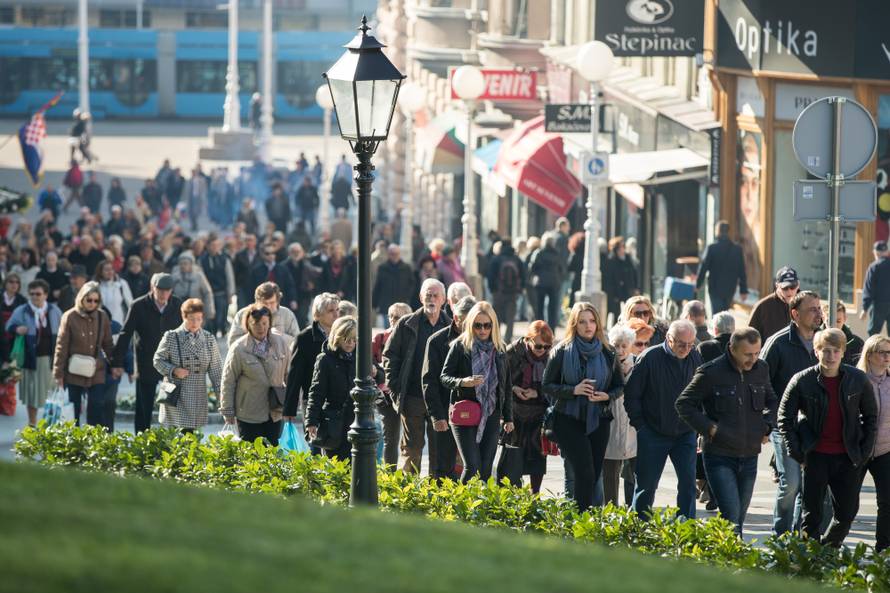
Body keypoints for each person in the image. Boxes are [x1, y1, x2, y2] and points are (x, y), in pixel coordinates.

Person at [779, 328, 878, 547]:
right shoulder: (802, 380)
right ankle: (809, 557)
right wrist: (797, 451)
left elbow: (871, 418)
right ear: (816, 351)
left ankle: (827, 550)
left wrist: (862, 453)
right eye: (825, 351)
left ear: (843, 352)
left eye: (835, 351)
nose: (830, 356)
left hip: (847, 456)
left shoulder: (857, 379)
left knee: (847, 514)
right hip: (815, 456)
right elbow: (784, 418)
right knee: (811, 514)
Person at [676, 328, 776, 535]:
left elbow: (772, 401)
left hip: (749, 455)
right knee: (731, 516)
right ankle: (729, 562)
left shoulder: (761, 369)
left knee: (738, 517)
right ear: (732, 349)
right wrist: (710, 429)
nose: (753, 359)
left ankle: (723, 555)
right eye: (748, 354)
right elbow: (684, 404)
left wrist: (767, 426)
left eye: (757, 353)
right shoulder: (710, 372)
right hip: (719, 455)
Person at [542, 302, 622, 510]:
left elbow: (619, 386)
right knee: (584, 471)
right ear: (574, 325)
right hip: (568, 418)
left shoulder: (608, 352)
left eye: (592, 321)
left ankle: (580, 517)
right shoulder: (561, 350)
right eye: (583, 322)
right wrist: (573, 390)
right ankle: (580, 519)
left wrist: (607, 395)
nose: (588, 326)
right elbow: (546, 385)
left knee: (594, 474)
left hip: (599, 418)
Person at [624, 319, 701, 519]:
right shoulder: (650, 357)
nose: (686, 348)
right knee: (646, 486)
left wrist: (699, 424)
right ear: (669, 338)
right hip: (653, 431)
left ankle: (686, 528)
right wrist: (641, 426)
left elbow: (702, 393)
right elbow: (632, 395)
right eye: (681, 344)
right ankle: (639, 529)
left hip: (684, 433)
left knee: (688, 485)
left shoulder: (694, 356)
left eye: (690, 344)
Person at [761, 290, 822, 536]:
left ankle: (799, 538)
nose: (818, 314)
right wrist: (767, 419)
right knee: (792, 483)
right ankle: (781, 535)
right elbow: (761, 382)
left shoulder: (824, 342)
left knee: (809, 486)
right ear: (795, 314)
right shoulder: (778, 343)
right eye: (812, 309)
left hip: (815, 425)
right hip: (783, 424)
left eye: (820, 309)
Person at [440, 301, 513, 483]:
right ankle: (463, 508)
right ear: (470, 324)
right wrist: (463, 382)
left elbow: (506, 386)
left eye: (487, 325)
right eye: (477, 325)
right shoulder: (460, 346)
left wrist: (509, 417)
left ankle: (481, 509)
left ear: (493, 326)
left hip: (491, 413)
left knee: (486, 467)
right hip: (466, 411)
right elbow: (444, 376)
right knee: (472, 466)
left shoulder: (501, 349)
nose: (482, 330)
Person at [383, 278, 451, 474]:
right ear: (421, 298)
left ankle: (437, 493)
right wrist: (395, 388)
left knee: (439, 449)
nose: (431, 299)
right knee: (411, 449)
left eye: (435, 295)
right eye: (427, 295)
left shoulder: (451, 326)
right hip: (412, 397)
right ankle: (409, 493)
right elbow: (390, 356)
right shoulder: (406, 323)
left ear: (443, 299)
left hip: (440, 399)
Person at [113, 273, 182, 433]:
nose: (163, 294)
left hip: (170, 364)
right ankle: (142, 440)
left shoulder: (177, 304)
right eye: (160, 289)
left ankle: (172, 441)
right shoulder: (139, 305)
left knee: (171, 406)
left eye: (167, 290)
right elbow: (125, 334)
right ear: (153, 288)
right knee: (144, 406)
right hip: (147, 362)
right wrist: (117, 362)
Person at [422, 296, 476, 481]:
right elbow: (429, 381)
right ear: (456, 319)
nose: (472, 328)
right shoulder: (437, 341)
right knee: (444, 468)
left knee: (472, 466)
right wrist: (437, 416)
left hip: (475, 414)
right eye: (466, 322)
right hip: (446, 412)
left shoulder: (483, 340)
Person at [220, 304, 289, 445]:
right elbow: (228, 380)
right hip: (248, 413)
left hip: (275, 411)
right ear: (248, 324)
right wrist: (227, 410)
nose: (261, 328)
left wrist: (291, 405)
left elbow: (289, 375)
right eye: (256, 324)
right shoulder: (239, 348)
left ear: (269, 322)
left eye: (264, 323)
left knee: (273, 454)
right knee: (251, 456)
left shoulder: (281, 343)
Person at [497, 319, 553, 493]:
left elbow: (555, 385)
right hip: (514, 412)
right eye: (538, 346)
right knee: (513, 458)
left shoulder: (551, 357)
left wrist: (537, 393)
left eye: (546, 346)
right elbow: (500, 380)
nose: (542, 351)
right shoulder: (512, 353)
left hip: (539, 412)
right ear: (528, 340)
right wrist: (514, 389)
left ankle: (535, 495)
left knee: (537, 457)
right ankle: (512, 495)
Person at [153, 298, 223, 432]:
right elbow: (157, 360)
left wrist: (222, 396)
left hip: (197, 396)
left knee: (192, 441)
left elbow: (216, 370)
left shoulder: (209, 339)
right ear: (183, 316)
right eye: (191, 318)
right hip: (176, 397)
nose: (195, 323)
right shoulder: (171, 337)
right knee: (177, 442)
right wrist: (173, 370)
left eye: (198, 318)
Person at [53, 281, 114, 428]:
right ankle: (75, 444)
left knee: (96, 407)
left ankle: (94, 443)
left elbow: (108, 343)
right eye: (89, 300)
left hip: (96, 369)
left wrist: (115, 365)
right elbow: (61, 346)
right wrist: (58, 373)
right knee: (73, 410)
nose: (92, 303)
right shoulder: (70, 316)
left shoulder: (102, 316)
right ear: (81, 298)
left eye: (96, 300)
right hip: (74, 370)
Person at [6, 280, 61, 426]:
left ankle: (50, 425)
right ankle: (32, 424)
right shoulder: (22, 310)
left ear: (46, 295)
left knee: (51, 394)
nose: (35, 297)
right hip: (29, 359)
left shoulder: (54, 311)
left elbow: (64, 331)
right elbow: (9, 326)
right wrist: (16, 329)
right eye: (32, 294)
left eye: (38, 294)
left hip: (49, 360)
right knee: (32, 395)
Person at [306, 316, 358, 461]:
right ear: (337, 337)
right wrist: (311, 421)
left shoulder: (360, 357)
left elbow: (378, 374)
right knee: (336, 468)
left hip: (357, 421)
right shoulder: (325, 359)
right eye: (346, 339)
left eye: (354, 339)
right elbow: (316, 392)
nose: (350, 343)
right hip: (334, 422)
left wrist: (375, 372)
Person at [283, 293, 340, 424]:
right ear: (318, 315)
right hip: (313, 401)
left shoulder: (342, 334)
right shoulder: (305, 338)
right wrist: (289, 409)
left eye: (337, 310)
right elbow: (295, 375)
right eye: (330, 311)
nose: (336, 315)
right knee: (315, 443)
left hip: (338, 401)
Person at [857, 335, 890, 551]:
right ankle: (830, 548)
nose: (887, 357)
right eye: (882, 352)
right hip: (858, 451)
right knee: (846, 505)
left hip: (886, 450)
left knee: (887, 503)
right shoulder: (856, 380)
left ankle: (884, 550)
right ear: (869, 355)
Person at [602, 323, 637, 507]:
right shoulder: (605, 364)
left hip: (633, 426)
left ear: (630, 345)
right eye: (616, 345)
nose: (620, 350)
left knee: (634, 474)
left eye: (624, 345)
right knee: (610, 474)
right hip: (611, 424)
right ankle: (610, 511)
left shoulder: (638, 364)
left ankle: (634, 511)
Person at [374, 302, 413, 467]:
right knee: (390, 437)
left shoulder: (413, 337)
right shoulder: (380, 338)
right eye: (390, 316)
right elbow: (371, 363)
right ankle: (390, 474)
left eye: (397, 317)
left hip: (409, 393)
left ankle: (409, 474)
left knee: (411, 439)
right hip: (386, 395)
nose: (392, 320)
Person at [695, 221, 748, 315]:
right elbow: (742, 271)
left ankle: (718, 329)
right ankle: (725, 329)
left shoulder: (712, 248)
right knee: (725, 314)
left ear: (717, 231)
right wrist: (743, 290)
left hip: (715, 288)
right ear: (728, 232)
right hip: (730, 288)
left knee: (716, 315)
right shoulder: (737, 249)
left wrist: (698, 284)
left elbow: (703, 267)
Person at [228, 282, 300, 348]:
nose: (268, 307)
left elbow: (298, 342)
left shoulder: (287, 314)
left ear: (278, 301)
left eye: (272, 303)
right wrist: (255, 336)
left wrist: (280, 337)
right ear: (257, 302)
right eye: (265, 303)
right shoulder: (243, 314)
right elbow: (232, 342)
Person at [486, 239, 526, 341]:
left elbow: (490, 276)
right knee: (510, 319)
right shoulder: (517, 259)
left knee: (496, 317)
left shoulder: (496, 259)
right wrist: (520, 290)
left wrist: (493, 290)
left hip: (498, 293)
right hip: (512, 293)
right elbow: (523, 275)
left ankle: (496, 339)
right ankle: (508, 340)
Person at [748, 266, 799, 342]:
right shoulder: (762, 307)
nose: (789, 291)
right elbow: (749, 336)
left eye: (793, 287)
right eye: (785, 288)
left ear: (798, 285)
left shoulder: (805, 303)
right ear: (777, 286)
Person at [199, 236, 236, 337]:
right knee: (211, 317)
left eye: (216, 245)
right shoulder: (202, 259)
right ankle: (212, 335)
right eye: (212, 245)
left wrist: (230, 294)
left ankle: (223, 331)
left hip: (222, 293)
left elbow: (229, 277)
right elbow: (200, 276)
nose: (214, 247)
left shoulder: (224, 259)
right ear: (207, 246)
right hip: (208, 294)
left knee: (222, 315)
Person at [528, 232, 566, 329]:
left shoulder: (538, 253)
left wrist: (535, 275)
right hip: (554, 283)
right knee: (552, 308)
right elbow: (562, 269)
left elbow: (532, 267)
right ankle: (552, 330)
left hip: (540, 283)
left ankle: (539, 328)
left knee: (539, 307)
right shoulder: (557, 254)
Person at [372, 244, 415, 328]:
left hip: (402, 303)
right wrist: (374, 303)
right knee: (388, 328)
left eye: (396, 253)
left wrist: (407, 296)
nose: (394, 256)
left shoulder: (406, 268)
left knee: (402, 327)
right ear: (388, 254)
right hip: (386, 304)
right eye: (392, 254)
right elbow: (378, 285)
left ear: (399, 254)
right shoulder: (382, 268)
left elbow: (412, 284)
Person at [602, 236, 639, 322]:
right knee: (615, 312)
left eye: (624, 246)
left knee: (630, 309)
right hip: (615, 290)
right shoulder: (611, 260)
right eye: (621, 247)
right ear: (616, 249)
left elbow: (633, 273)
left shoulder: (627, 258)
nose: (623, 249)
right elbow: (609, 278)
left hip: (627, 288)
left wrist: (636, 287)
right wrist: (612, 293)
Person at [285, 242, 320, 330]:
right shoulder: (283, 266)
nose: (296, 253)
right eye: (293, 251)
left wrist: (313, 285)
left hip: (303, 296)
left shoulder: (307, 265)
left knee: (302, 319)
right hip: (287, 297)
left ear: (302, 253)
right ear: (289, 253)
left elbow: (318, 278)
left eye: (298, 251)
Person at [250, 243, 296, 308]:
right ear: (262, 254)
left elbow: (289, 285)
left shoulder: (283, 269)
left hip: (281, 303)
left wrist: (293, 300)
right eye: (267, 253)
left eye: (273, 253)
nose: (271, 255)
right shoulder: (256, 270)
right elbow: (251, 289)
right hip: (263, 304)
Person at [171, 253, 215, 320]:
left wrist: (209, 311)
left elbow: (207, 293)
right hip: (179, 310)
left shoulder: (199, 276)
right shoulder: (174, 277)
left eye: (185, 263)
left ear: (191, 264)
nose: (183, 266)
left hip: (195, 309)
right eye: (181, 263)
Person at [821, 300, 864, 366]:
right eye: (829, 321)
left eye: (838, 321)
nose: (834, 325)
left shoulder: (856, 344)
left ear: (844, 319)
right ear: (823, 319)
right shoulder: (813, 340)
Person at [861, 240, 890, 336]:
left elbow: (869, 289)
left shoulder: (874, 267)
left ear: (875, 252)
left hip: (879, 305)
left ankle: (872, 351)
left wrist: (865, 308)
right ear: (887, 252)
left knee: (873, 334)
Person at [95, 260, 133, 326]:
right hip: (100, 324)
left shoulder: (121, 284)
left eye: (111, 269)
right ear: (100, 272)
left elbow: (131, 304)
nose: (110, 272)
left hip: (118, 324)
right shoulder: (96, 286)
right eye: (106, 269)